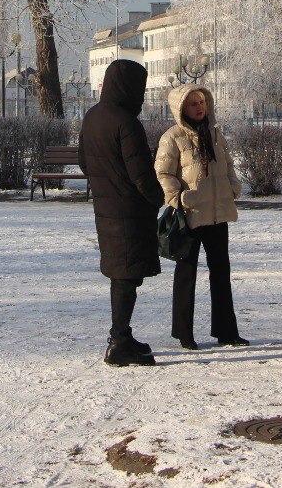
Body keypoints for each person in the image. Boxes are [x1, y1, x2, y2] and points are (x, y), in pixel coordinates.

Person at [78, 59, 166, 367]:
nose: (141, 97)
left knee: (122, 273)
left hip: (106, 208)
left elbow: (84, 163)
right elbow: (141, 174)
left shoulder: (92, 117)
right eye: (140, 89)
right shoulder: (126, 123)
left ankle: (123, 335)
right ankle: (118, 342)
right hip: (130, 211)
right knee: (127, 275)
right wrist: (158, 199)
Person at [154, 84, 246, 351]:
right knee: (187, 273)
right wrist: (178, 198)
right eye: (193, 103)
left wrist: (232, 184)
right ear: (180, 108)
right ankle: (184, 333)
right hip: (190, 216)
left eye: (202, 101)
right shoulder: (172, 137)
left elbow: (228, 163)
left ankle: (227, 331)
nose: (199, 107)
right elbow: (163, 174)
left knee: (221, 272)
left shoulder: (215, 133)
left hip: (218, 214)